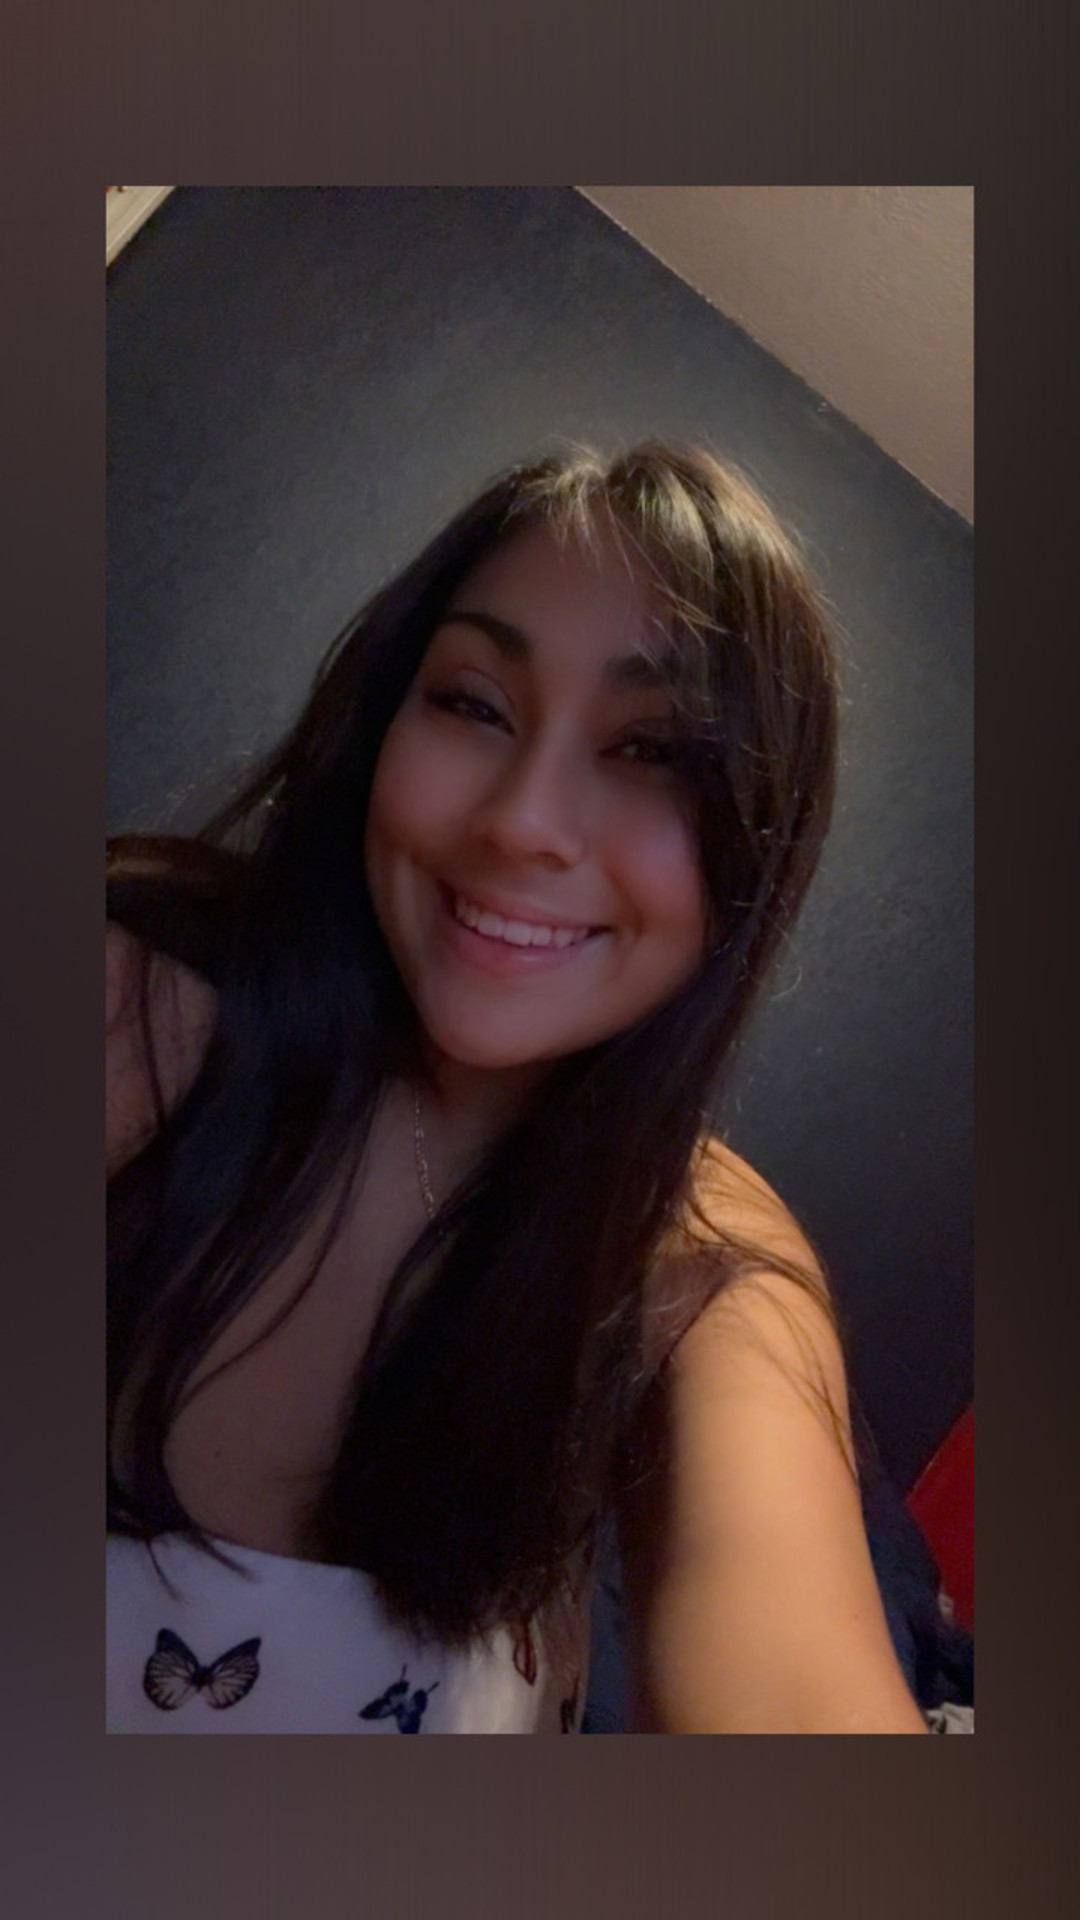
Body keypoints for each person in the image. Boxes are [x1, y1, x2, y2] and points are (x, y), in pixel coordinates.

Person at [106, 441, 928, 1733]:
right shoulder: (143, 1001)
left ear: (756, 843)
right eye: (475, 705)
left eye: (652, 749)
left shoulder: (695, 1258)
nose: (521, 822)